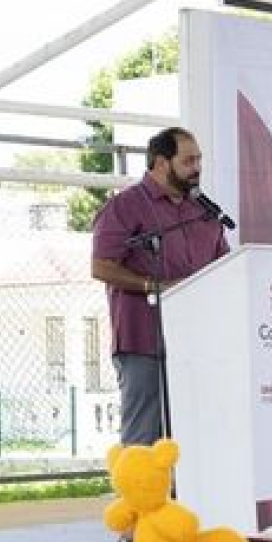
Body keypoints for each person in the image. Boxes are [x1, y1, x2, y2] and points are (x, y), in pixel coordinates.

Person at [91, 126, 228, 448]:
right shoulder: (125, 206)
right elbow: (101, 266)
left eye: (199, 160)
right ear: (161, 163)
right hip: (143, 340)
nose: (197, 168)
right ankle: (138, 500)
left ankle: (187, 499)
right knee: (143, 440)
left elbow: (226, 268)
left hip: (199, 344)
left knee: (197, 436)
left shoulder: (205, 212)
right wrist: (156, 286)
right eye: (188, 161)